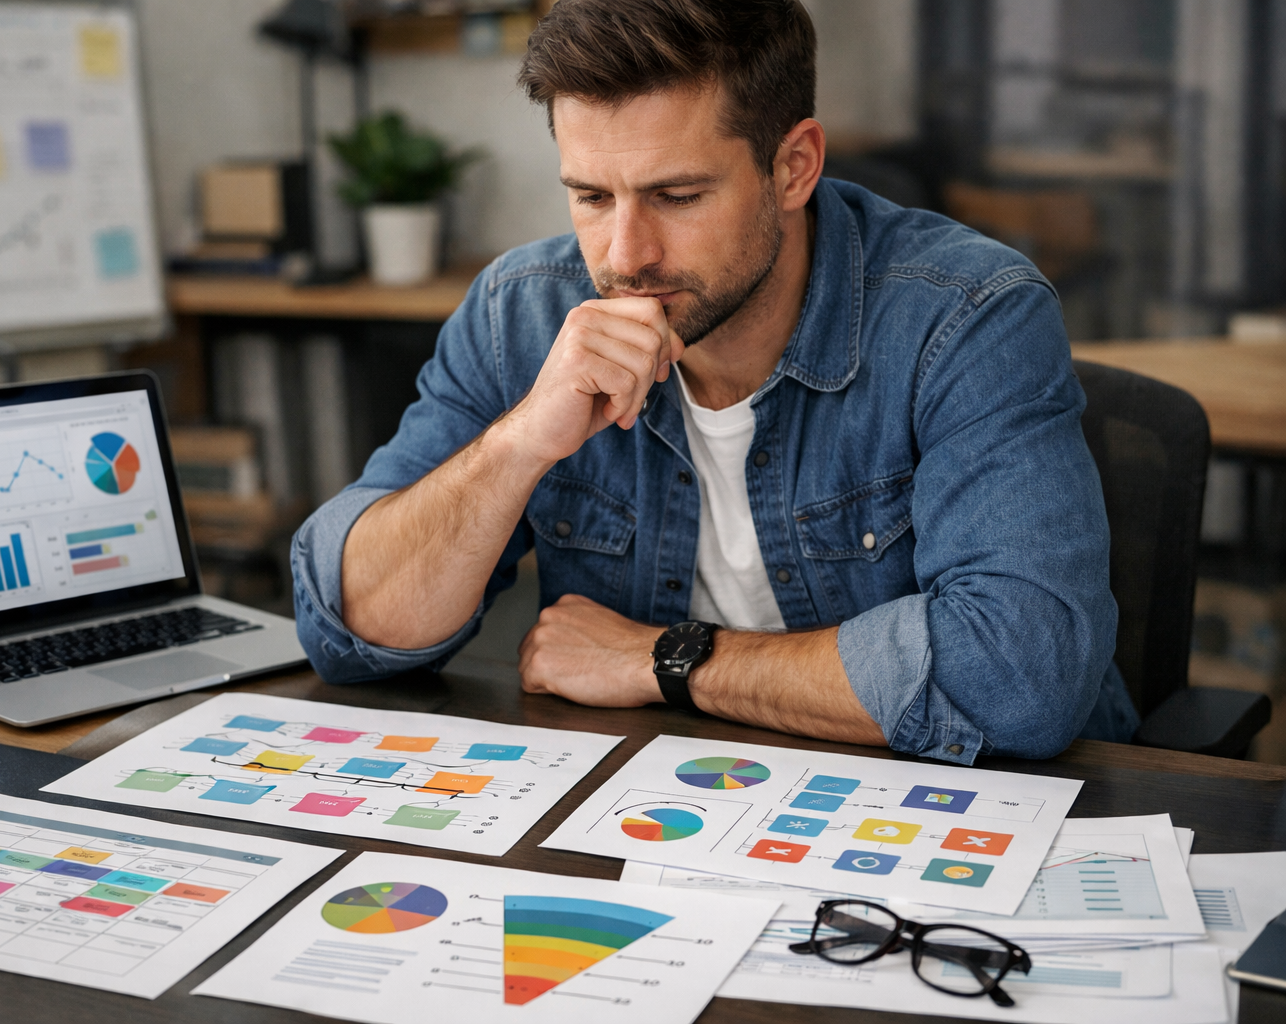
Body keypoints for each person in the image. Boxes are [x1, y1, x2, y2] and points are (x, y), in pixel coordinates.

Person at [291, 0, 1139, 764]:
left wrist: (662, 659)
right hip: (668, 811)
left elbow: (1023, 674)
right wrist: (517, 447)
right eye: (590, 196)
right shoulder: (523, 313)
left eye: (678, 195)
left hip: (956, 818)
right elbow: (348, 628)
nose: (624, 257)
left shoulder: (967, 317)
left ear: (794, 166)